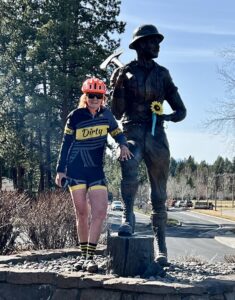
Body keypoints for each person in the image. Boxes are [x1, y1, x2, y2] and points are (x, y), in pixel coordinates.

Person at [110, 24, 187, 270]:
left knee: (159, 193)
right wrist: (117, 87)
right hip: (131, 130)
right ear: (141, 45)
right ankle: (127, 217)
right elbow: (116, 112)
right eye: (153, 42)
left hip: (156, 134)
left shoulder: (162, 74)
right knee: (129, 160)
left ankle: (161, 246)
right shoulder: (125, 71)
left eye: (158, 42)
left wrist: (165, 117)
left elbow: (181, 110)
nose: (157, 46)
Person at [55, 77, 132, 271]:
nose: (95, 99)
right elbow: (65, 143)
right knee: (82, 213)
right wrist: (60, 170)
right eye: (91, 95)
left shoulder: (107, 115)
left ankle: (90, 257)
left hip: (96, 170)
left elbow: (117, 132)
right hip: (75, 170)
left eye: (98, 96)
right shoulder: (75, 116)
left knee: (100, 212)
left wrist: (123, 144)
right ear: (85, 96)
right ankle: (83, 256)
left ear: (103, 98)